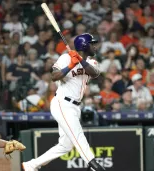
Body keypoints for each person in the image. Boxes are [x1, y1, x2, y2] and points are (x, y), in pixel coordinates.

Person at [22, 33, 105, 171]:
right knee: (78, 134)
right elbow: (54, 76)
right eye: (92, 44)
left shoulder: (91, 61)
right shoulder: (66, 58)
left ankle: (31, 165)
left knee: (66, 145)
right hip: (62, 103)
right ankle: (93, 164)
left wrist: (80, 60)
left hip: (75, 106)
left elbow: (95, 73)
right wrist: (71, 64)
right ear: (84, 45)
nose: (95, 46)